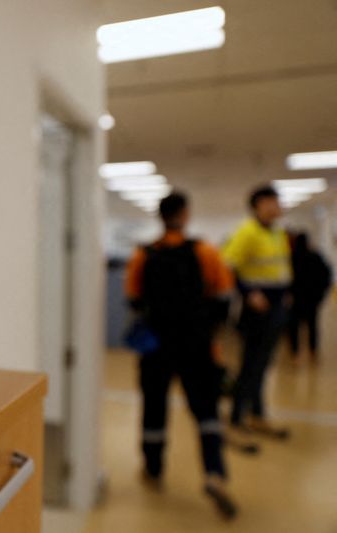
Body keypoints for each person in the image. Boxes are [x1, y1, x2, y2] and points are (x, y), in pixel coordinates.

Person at [125, 191, 237, 519]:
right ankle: (214, 472)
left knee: (154, 408)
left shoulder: (143, 256)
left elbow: (133, 299)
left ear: (160, 216)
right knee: (206, 412)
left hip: (157, 347)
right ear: (185, 215)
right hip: (197, 346)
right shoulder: (205, 252)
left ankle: (154, 467)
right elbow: (224, 297)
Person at [221, 185, 291, 439]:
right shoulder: (246, 232)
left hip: (276, 306)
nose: (276, 206)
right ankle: (238, 415)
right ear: (257, 206)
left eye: (277, 201)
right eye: (270, 202)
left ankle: (258, 414)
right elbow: (229, 266)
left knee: (263, 365)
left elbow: (278, 267)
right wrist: (249, 293)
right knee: (251, 364)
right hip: (256, 310)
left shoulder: (277, 232)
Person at [289, 232, 332, 364]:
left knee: (294, 326)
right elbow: (327, 276)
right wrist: (321, 294)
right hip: (312, 299)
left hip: (295, 299)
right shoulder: (316, 257)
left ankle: (295, 353)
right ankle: (313, 351)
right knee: (312, 325)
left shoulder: (290, 258)